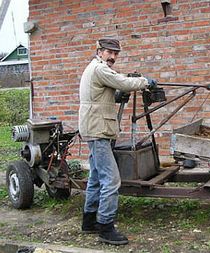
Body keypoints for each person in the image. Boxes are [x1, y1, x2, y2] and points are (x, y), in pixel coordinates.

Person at [78, 38, 156, 245]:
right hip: (98, 131)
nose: (112, 57)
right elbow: (123, 82)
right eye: (108, 52)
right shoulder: (99, 69)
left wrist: (116, 96)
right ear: (99, 51)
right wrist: (145, 81)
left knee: (95, 177)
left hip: (95, 129)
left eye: (115, 53)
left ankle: (89, 221)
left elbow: (103, 95)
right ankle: (105, 227)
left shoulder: (95, 68)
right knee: (111, 180)